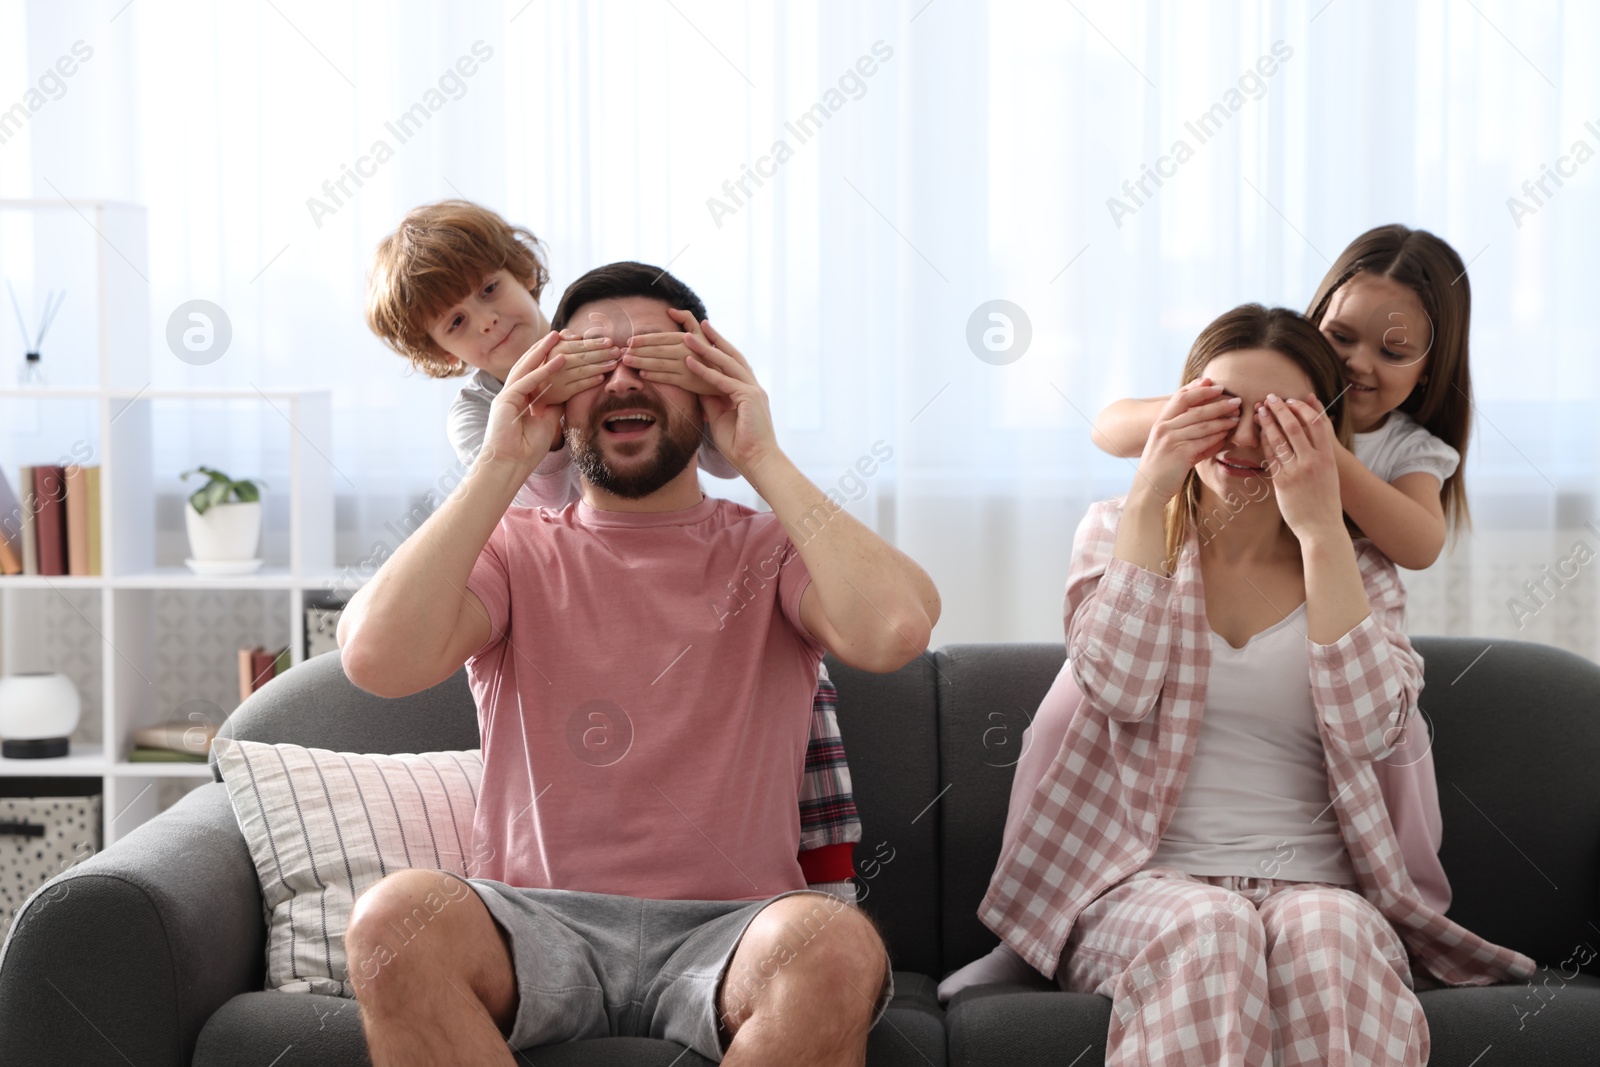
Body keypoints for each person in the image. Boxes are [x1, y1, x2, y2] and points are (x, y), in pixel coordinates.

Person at [337, 261, 941, 1064]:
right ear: (553, 390)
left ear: (706, 386)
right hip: (531, 922)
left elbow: (897, 629)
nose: (623, 377)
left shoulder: (771, 550)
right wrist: (501, 460)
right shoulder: (512, 549)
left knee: (835, 944)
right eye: (591, 361)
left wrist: (761, 451)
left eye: (656, 358)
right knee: (390, 920)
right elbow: (375, 657)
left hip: (734, 930)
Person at [967, 305, 1531, 1065]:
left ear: (1323, 435)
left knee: (1328, 935)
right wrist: (1149, 491)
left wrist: (1321, 533)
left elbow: (1372, 729)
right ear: (1180, 407)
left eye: (1275, 420)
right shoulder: (1115, 528)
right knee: (1214, 925)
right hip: (1143, 888)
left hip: (1319, 888)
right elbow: (1116, 687)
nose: (1240, 438)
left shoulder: (1361, 567)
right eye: (1220, 409)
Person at [364, 200, 862, 902]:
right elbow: (511, 499)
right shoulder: (482, 413)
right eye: (456, 323)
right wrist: (547, 415)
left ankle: (827, 886)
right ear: (442, 355)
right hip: (569, 593)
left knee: (801, 688)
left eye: (489, 290)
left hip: (692, 571)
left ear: (522, 273)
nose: (486, 320)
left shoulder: (602, 337)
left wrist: (697, 385)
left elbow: (717, 460)